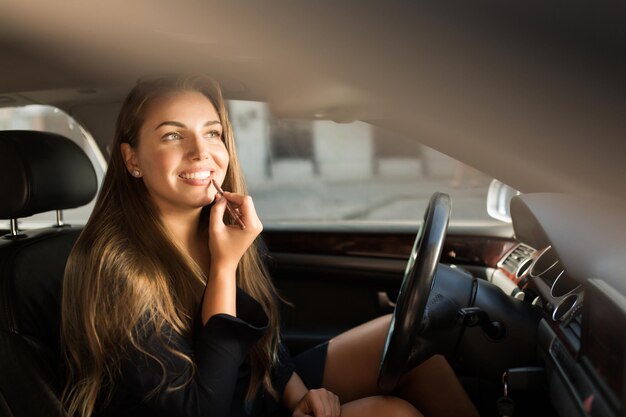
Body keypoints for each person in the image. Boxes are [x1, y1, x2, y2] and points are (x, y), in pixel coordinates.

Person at [61, 75, 479, 417]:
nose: (201, 152)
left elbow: (266, 345)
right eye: (173, 136)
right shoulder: (112, 266)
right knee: (390, 414)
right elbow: (201, 410)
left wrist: (298, 396)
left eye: (212, 133)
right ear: (132, 159)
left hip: (252, 394)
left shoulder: (223, 225)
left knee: (417, 351)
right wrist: (225, 267)